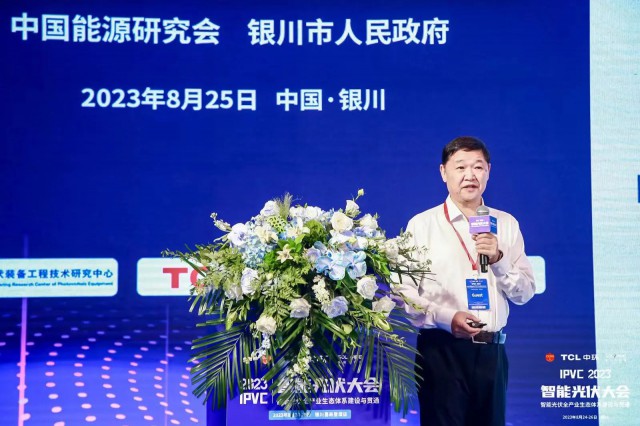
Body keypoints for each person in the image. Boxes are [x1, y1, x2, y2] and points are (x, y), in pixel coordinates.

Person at [398, 136, 536, 426]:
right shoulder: (422, 225)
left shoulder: (506, 224)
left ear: (488, 172)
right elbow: (404, 293)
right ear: (443, 172)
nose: (470, 175)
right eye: (460, 167)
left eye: (478, 167)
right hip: (441, 351)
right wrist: (448, 318)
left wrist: (498, 259)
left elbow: (524, 292)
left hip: (492, 352)